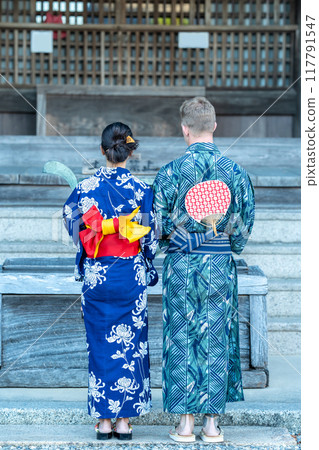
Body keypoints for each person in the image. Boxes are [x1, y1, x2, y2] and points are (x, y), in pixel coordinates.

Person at [152, 97, 255, 443]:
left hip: (182, 265)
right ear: (214, 126)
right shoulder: (236, 173)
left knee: (181, 337)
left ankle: (185, 425)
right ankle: (212, 425)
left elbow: (158, 226)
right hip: (219, 267)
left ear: (184, 130)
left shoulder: (169, 173)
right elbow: (242, 229)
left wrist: (177, 240)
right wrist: (226, 244)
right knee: (214, 336)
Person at [63, 122, 158, 441]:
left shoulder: (84, 188)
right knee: (131, 344)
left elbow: (72, 225)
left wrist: (97, 232)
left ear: (102, 150)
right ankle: (125, 422)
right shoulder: (142, 190)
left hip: (97, 274)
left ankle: (104, 421)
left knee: (101, 345)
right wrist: (126, 232)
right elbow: (151, 237)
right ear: (130, 152)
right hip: (129, 273)